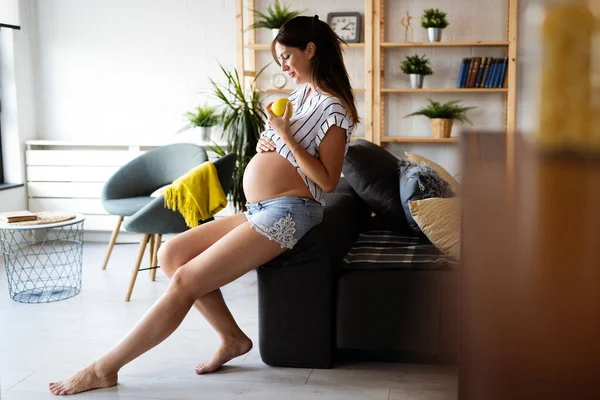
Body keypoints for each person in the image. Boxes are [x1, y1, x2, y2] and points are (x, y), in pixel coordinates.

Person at [49, 14, 359, 396]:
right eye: (278, 58)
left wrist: (285, 139)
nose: (283, 66)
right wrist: (270, 145)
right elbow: (288, 152)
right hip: (263, 208)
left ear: (310, 50)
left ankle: (103, 368)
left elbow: (327, 181)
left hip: (291, 212)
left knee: (184, 280)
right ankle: (232, 339)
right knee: (172, 253)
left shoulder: (334, 108)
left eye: (287, 57)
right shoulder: (297, 98)